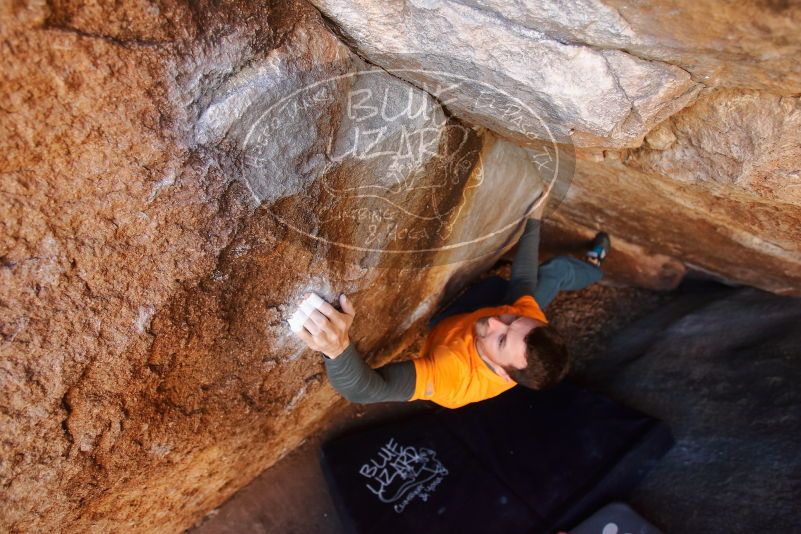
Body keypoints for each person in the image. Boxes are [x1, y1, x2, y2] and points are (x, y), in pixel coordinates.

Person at [293, 213, 610, 409]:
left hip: (448, 326)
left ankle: (594, 266)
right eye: (513, 320)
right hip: (474, 307)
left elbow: (366, 390)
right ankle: (591, 269)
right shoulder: (527, 325)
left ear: (502, 372)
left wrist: (337, 349)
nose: (498, 321)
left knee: (467, 307)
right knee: (551, 272)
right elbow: (525, 278)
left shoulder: (454, 377)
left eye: (502, 341)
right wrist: (535, 217)